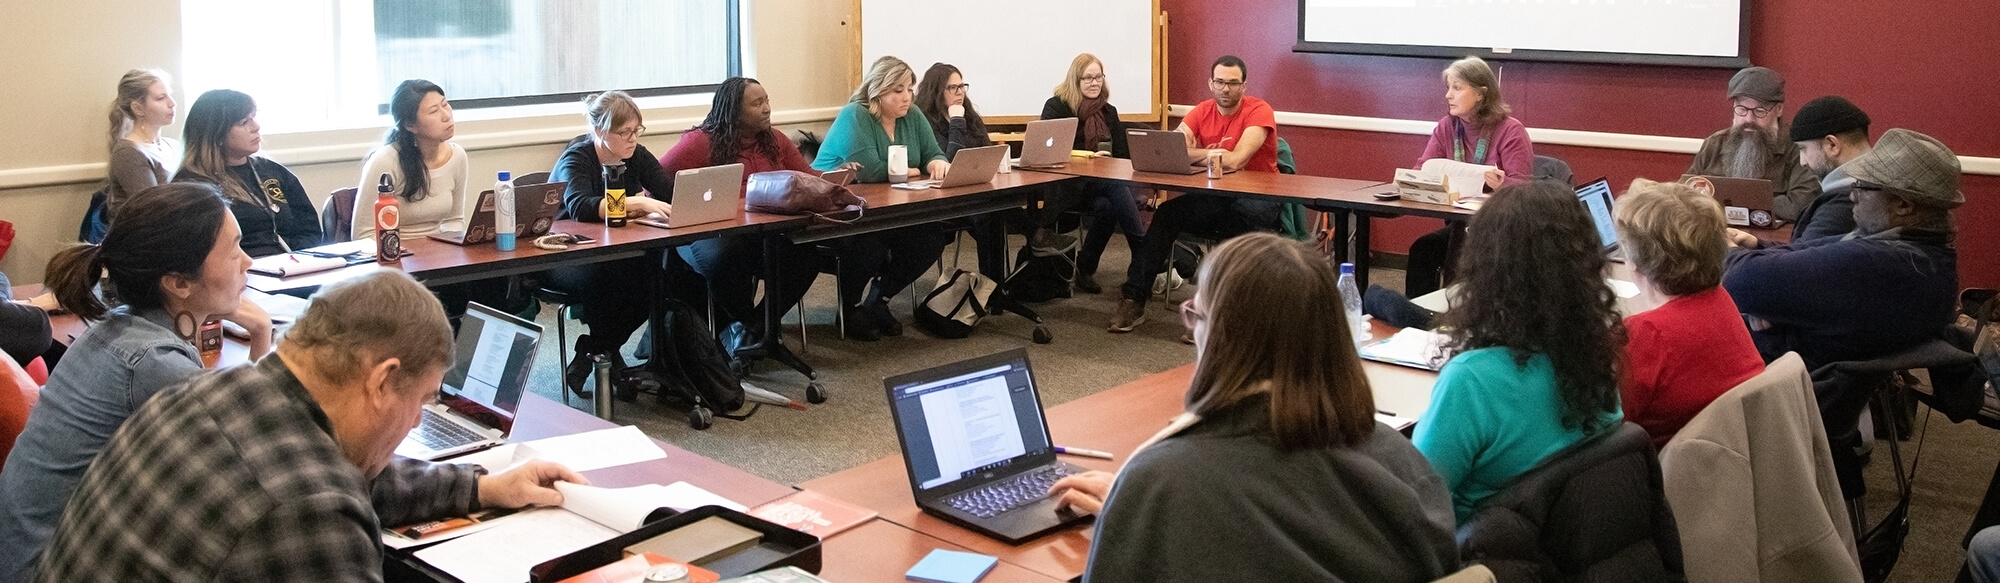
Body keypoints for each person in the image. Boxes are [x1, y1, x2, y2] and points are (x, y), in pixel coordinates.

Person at [31, 270, 584, 581]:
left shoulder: (204, 394)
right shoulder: (309, 507)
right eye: (421, 400)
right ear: (382, 380)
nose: (417, 420)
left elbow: (351, 473)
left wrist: (484, 486)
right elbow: (316, 490)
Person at [1048, 233, 1458, 582]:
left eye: (1195, 315)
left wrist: (1135, 512)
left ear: (1222, 337)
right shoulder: (1402, 461)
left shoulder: (1160, 482)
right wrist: (1133, 507)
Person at [0, 183, 274, 582]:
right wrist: (262, 336)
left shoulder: (118, 326)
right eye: (234, 251)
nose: (247, 262)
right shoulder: (153, 364)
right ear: (178, 282)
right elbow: (260, 458)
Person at [1411, 181, 1626, 521]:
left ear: (1485, 268)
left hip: (1476, 556)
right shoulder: (1596, 356)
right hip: (1562, 547)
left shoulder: (1471, 381)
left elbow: (1413, 499)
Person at [1721, 128, 1962, 369]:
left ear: (1903, 205)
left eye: (1863, 187)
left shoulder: (1877, 264)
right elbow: (1810, 251)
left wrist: (1725, 249)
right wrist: (1756, 245)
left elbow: (1741, 280)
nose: (1852, 196)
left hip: (1786, 382)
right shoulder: (1923, 253)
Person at [1109, 55, 1282, 335]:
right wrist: (1214, 154)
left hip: (1258, 196)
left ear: (1244, 86)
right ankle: (1134, 297)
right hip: (1216, 195)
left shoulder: (1259, 111)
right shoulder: (1201, 111)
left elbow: (1237, 160)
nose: (1226, 89)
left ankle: (1212, 310)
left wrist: (1199, 156)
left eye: (1233, 83)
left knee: (1237, 218)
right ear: (1211, 83)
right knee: (1166, 214)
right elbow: (1171, 149)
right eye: (1220, 82)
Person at [656, 77, 826, 340]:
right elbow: (655, 181)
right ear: (734, 110)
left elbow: (809, 179)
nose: (767, 108)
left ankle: (752, 328)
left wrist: (837, 179)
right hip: (706, 235)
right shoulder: (700, 142)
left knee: (805, 256)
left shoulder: (776, 141)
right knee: (727, 256)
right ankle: (744, 328)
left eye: (767, 100)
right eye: (757, 103)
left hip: (759, 232)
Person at [812, 56, 954, 341]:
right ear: (877, 91)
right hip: (835, 213)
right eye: (897, 90)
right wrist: (914, 169)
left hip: (888, 207)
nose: (906, 97)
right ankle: (849, 308)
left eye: (909, 88)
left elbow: (933, 152)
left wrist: (936, 163)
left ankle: (879, 299)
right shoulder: (856, 115)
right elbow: (874, 171)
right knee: (870, 243)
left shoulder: (911, 115)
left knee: (932, 237)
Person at [1614, 179, 1764, 447]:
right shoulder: (1721, 300)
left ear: (1635, 264)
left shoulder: (1646, 333)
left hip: (1667, 468)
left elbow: (1605, 420)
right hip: (1730, 453)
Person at [546, 90, 676, 397]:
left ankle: (594, 350)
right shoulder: (577, 157)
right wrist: (638, 204)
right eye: (625, 132)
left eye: (636, 131)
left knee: (657, 276)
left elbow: (669, 191)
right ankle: (607, 356)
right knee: (615, 278)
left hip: (616, 250)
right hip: (566, 254)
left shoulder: (636, 155)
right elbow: (581, 206)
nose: (632, 139)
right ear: (600, 131)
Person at [1403, 56, 1536, 298]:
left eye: (1457, 88)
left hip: (1500, 231)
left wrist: (1501, 184)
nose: (1448, 95)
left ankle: (1460, 322)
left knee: (1461, 256)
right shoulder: (1447, 126)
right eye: (1448, 88)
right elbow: (1423, 168)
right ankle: (1418, 325)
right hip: (1460, 224)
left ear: (1480, 94)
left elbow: (1523, 190)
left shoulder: (1510, 130)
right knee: (1423, 249)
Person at [175, 89, 322, 257]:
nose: (256, 127)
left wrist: (295, 260)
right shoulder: (189, 185)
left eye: (253, 117)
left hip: (292, 266)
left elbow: (310, 230)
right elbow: (197, 252)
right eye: (244, 122)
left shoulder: (273, 172)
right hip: (238, 273)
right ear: (216, 134)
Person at [1042, 53, 1143, 295]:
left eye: (1098, 77)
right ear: (1075, 81)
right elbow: (1050, 150)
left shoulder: (1109, 111)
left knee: (1109, 204)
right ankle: (1143, 255)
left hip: (1101, 182)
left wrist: (1108, 162)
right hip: (1066, 185)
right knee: (1115, 189)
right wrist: (1087, 158)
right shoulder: (1057, 107)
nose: (1094, 82)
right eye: (1087, 78)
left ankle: (1085, 268)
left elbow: (1121, 155)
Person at [1729, 95, 1870, 248]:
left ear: (1832, 145)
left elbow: (1800, 264)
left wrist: (1734, 253)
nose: (1803, 162)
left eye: (1803, 149)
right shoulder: (1870, 187)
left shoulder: (1844, 201)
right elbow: (1803, 252)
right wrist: (1757, 244)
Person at [1685, 66, 1821, 223]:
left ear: (1778, 110)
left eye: (1759, 111)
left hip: (1776, 242)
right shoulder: (1715, 144)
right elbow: (1686, 195)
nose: (1749, 119)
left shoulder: (1798, 148)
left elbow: (1800, 205)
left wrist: (1729, 202)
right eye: (1741, 109)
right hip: (1717, 233)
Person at [353, 79, 469, 240]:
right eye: (434, 111)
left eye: (445, 104)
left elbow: (454, 220)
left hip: (439, 256)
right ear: (410, 126)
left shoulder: (457, 156)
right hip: (394, 256)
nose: (446, 115)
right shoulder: (385, 161)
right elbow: (363, 235)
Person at [103, 69, 181, 217]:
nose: (172, 103)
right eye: (161, 98)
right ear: (138, 108)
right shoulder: (129, 153)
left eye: (170, 95)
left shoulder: (174, 146)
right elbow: (153, 211)